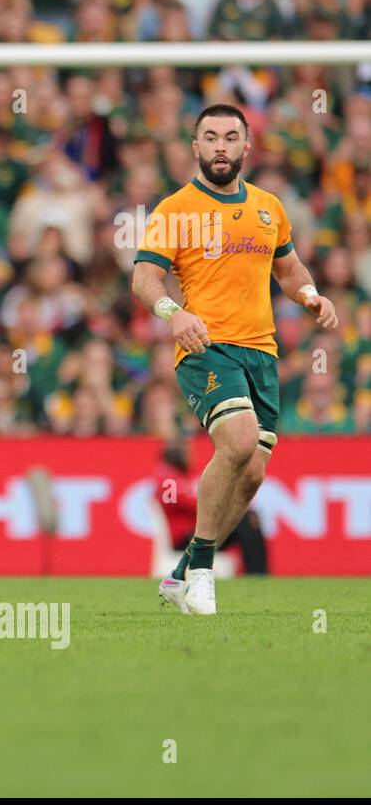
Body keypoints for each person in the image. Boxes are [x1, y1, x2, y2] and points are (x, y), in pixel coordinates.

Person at [131, 103, 337, 615]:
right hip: (205, 347)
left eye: (230, 137)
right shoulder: (175, 210)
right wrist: (172, 313)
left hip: (261, 353)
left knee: (251, 472)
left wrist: (312, 294)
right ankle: (203, 570)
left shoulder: (269, 207)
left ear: (247, 146)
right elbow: (143, 278)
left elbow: (289, 272)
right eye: (210, 137)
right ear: (195, 146)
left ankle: (179, 574)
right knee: (240, 439)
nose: (220, 146)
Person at [154, 437, 268, 576]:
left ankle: (258, 573)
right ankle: (258, 574)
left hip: (196, 533)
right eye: (187, 452)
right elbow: (180, 502)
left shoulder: (177, 477)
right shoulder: (168, 479)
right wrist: (222, 504)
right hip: (185, 539)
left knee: (245, 521)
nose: (191, 456)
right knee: (244, 523)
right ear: (177, 454)